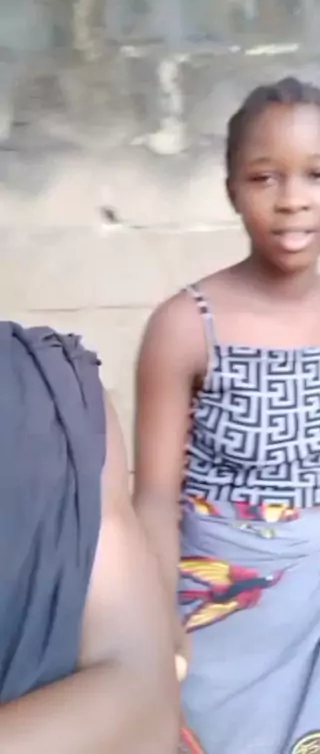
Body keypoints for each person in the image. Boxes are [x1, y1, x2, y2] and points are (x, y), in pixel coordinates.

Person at [134, 77, 320, 754]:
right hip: (217, 609)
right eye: (264, 177)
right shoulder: (186, 324)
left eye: (318, 175)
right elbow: (152, 496)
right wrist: (160, 617)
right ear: (232, 189)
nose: (292, 198)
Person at [0, 321, 179, 753]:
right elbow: (157, 496)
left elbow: (142, 698)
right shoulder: (187, 325)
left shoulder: (53, 392)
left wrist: (165, 613)